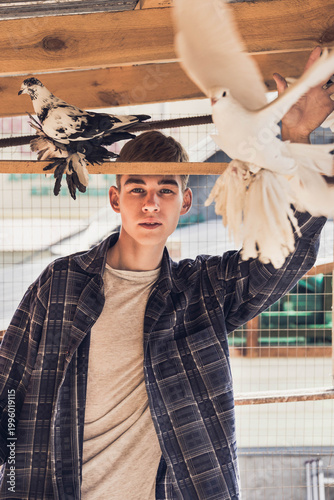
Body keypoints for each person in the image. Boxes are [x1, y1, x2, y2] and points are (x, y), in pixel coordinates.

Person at [0, 48, 333, 500]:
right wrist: (15, 481)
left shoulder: (205, 291)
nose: (151, 203)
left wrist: (295, 135)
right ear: (116, 200)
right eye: (137, 188)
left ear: (185, 201)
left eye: (165, 189)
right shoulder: (61, 284)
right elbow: (9, 385)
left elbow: (284, 254)